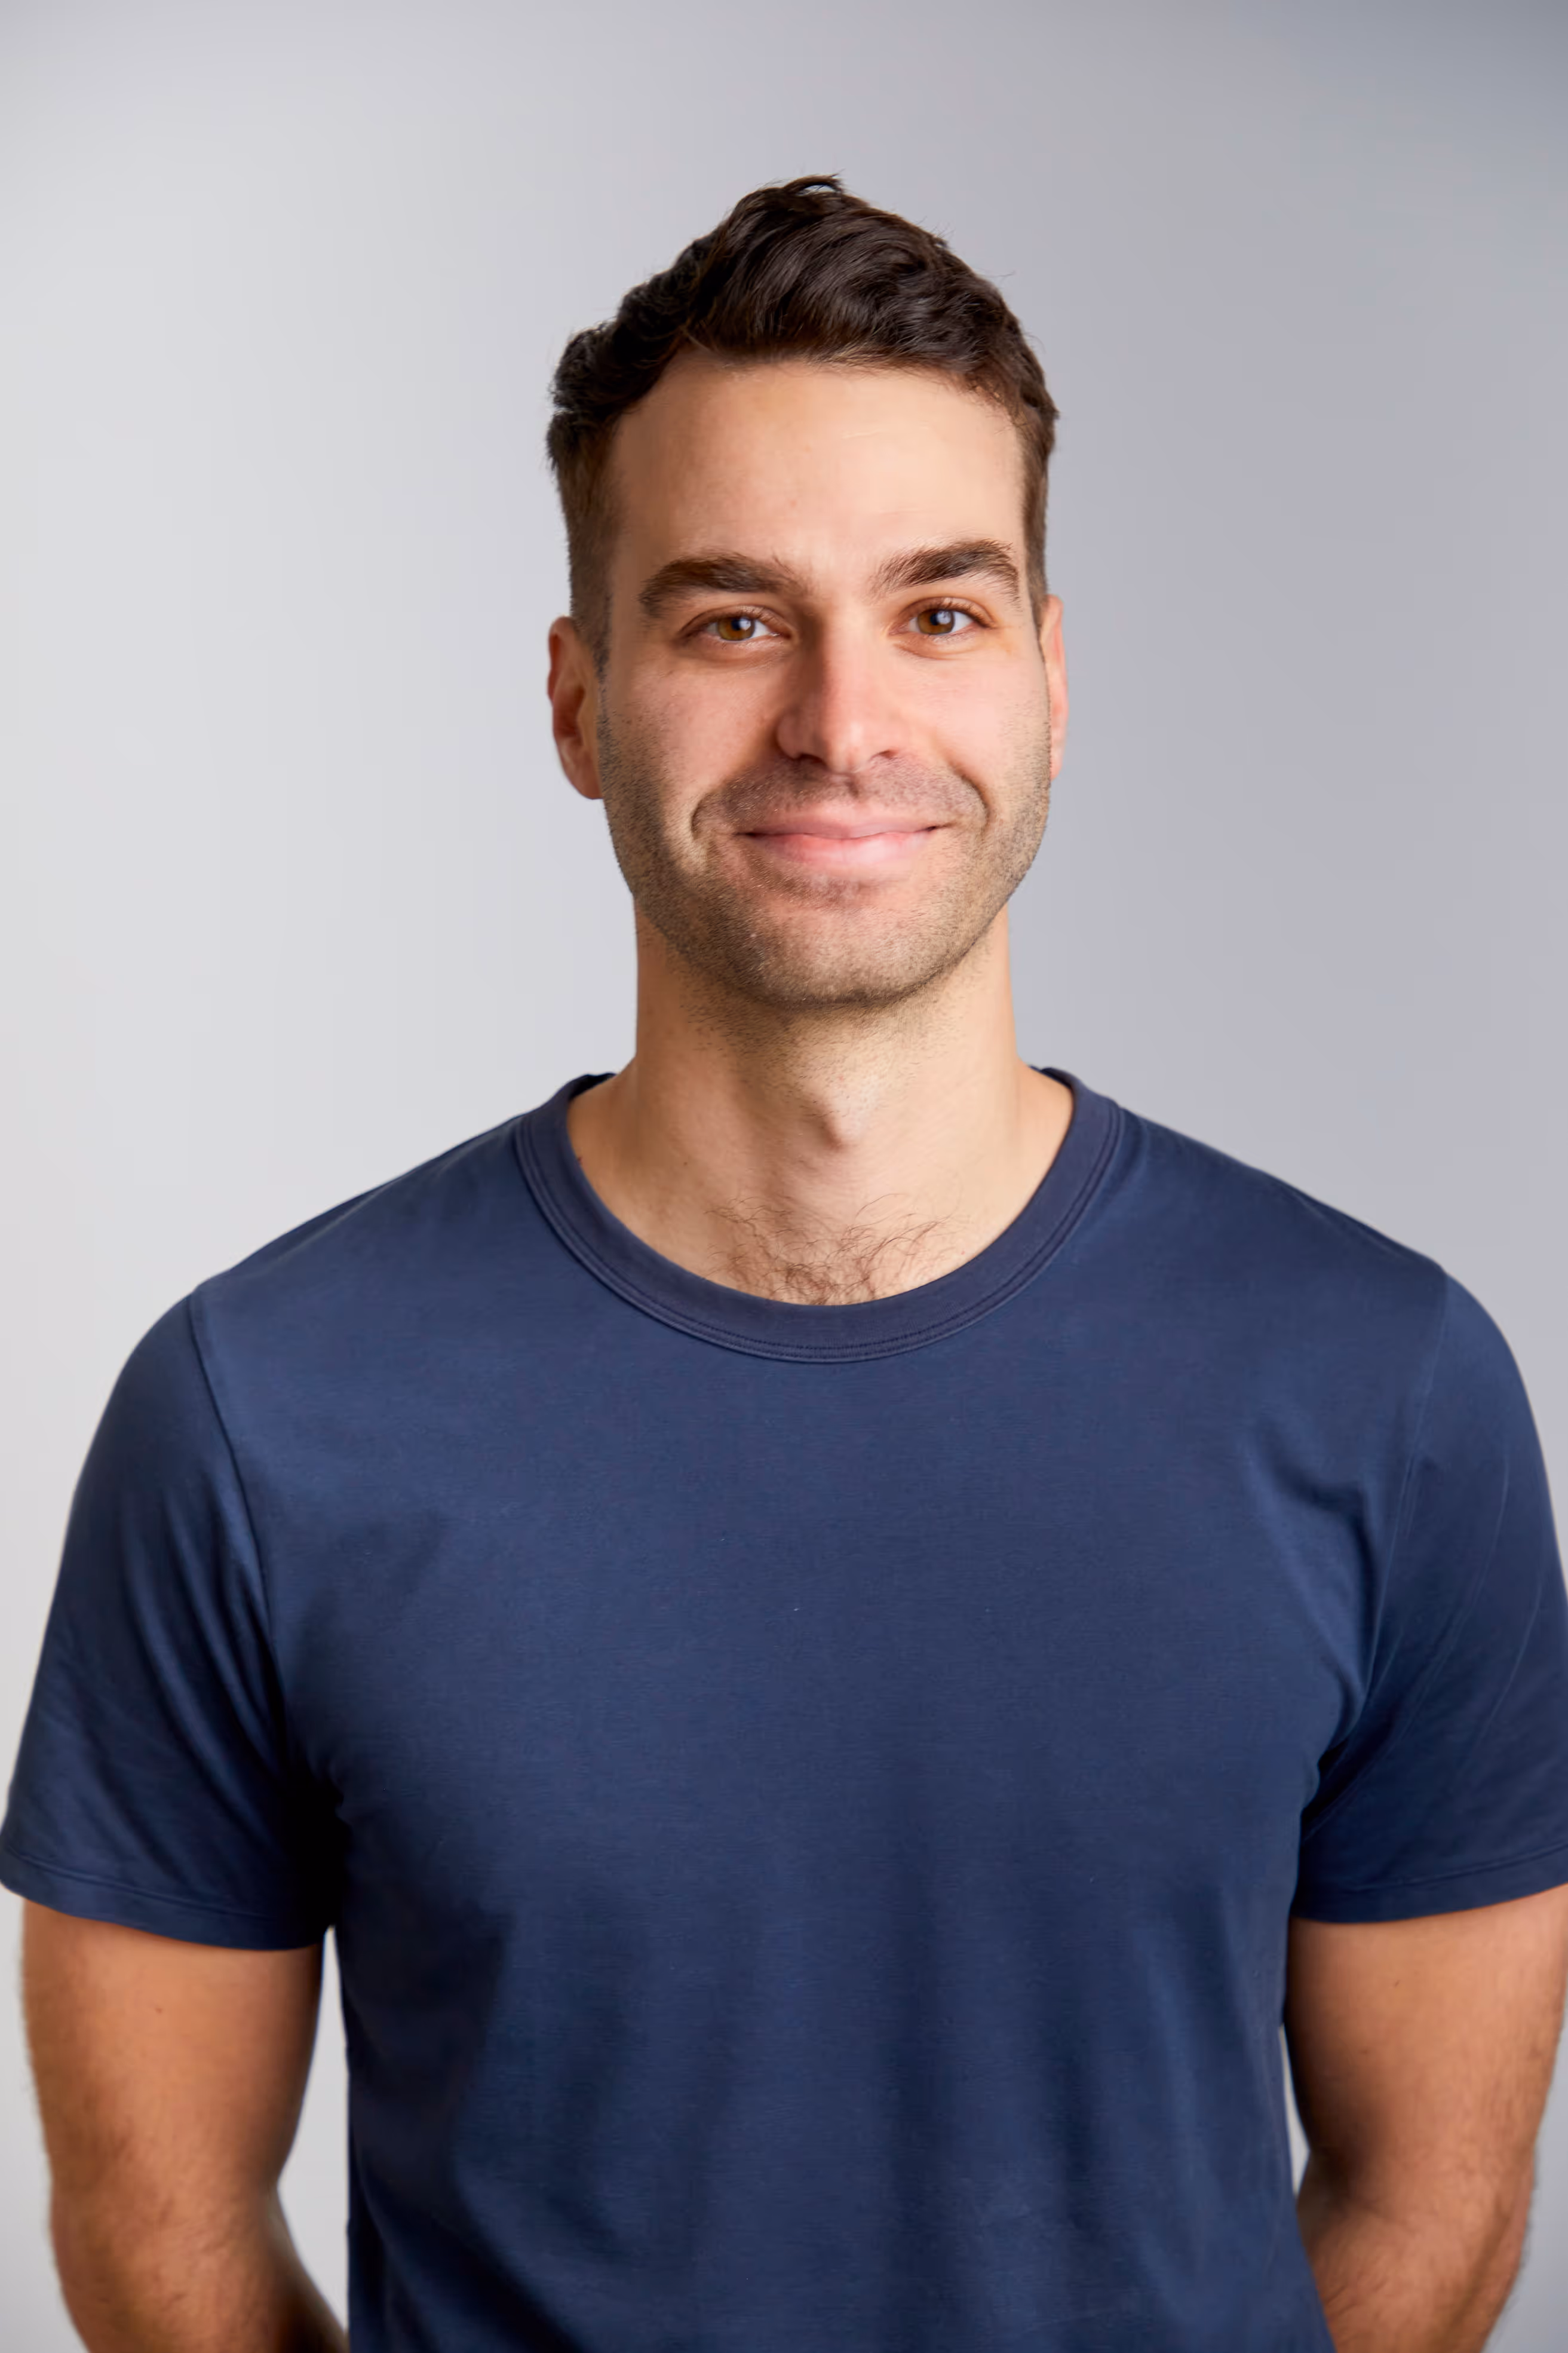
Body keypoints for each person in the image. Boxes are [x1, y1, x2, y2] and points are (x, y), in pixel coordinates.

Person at [4, 175, 1567, 2353]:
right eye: (734, 618)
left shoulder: (1389, 1395)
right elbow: (155, 2236)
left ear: (1046, 674)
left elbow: (1436, 2202)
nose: (844, 723)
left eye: (939, 611)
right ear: (578, 701)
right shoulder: (260, 1418)